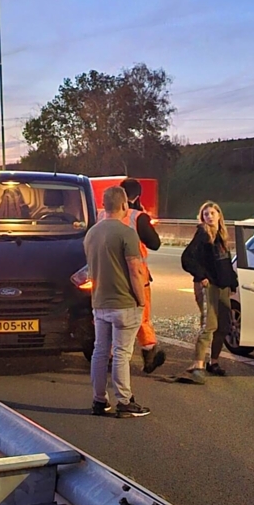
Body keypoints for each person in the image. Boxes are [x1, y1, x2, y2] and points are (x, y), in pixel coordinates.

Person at [84, 186, 150, 418]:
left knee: (100, 351)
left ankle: (99, 400)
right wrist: (141, 300)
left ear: (104, 206)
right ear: (124, 205)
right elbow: (135, 270)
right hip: (124, 303)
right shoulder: (127, 233)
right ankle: (124, 401)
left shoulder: (91, 234)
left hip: (99, 302)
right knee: (122, 353)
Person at [93, 177, 166, 374]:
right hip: (135, 275)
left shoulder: (101, 216)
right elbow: (155, 244)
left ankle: (106, 357)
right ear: (136, 196)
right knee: (141, 315)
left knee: (107, 317)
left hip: (105, 275)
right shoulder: (138, 217)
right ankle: (149, 354)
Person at [180, 201, 238, 384]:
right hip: (208, 286)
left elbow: (225, 262)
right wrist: (201, 276)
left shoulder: (222, 236)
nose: (209, 217)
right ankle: (198, 365)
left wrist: (232, 283)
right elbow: (187, 258)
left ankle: (214, 362)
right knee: (209, 325)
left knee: (224, 326)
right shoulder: (203, 234)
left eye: (212, 213)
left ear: (219, 215)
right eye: (206, 214)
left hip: (223, 286)